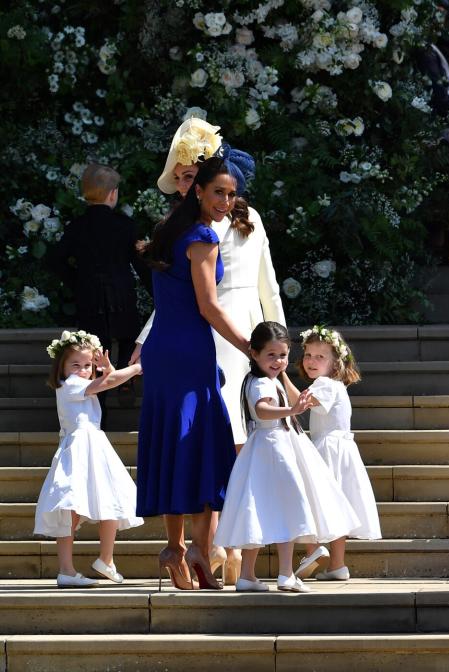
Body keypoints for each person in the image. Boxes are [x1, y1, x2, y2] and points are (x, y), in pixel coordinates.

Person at [133, 117, 285, 584]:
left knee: (178, 448)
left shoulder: (167, 229)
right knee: (200, 449)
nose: (227, 202)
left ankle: (184, 551)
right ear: (197, 190)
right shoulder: (201, 238)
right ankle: (196, 551)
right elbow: (209, 306)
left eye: (230, 194)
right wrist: (250, 348)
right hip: (191, 350)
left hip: (167, 350)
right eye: (218, 192)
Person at [212, 322, 360, 593]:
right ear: (254, 354)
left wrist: (290, 404)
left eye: (283, 355)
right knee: (289, 507)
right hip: (274, 449)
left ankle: (248, 575)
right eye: (271, 355)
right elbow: (263, 410)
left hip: (269, 448)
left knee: (260, 510)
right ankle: (285, 574)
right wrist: (291, 409)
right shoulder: (259, 384)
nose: (278, 361)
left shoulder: (267, 380)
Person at [35, 330, 143, 588]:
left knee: (110, 501)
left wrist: (108, 369)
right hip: (79, 450)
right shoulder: (70, 385)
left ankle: (106, 559)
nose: (83, 370)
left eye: (87, 365)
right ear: (61, 367)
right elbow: (107, 384)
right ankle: (66, 569)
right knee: (70, 508)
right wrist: (137, 368)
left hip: (95, 446)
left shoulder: (83, 385)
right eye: (76, 365)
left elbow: (107, 380)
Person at [48, 163, 150, 426]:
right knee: (129, 336)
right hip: (121, 293)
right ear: (112, 194)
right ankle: (126, 380)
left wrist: (76, 282)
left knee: (93, 350)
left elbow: (56, 261)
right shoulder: (125, 226)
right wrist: (157, 293)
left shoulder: (76, 227)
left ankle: (98, 409)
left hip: (89, 297)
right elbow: (140, 263)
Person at [289, 325, 382, 582]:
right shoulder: (333, 385)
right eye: (308, 355)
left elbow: (301, 405)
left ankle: (314, 551)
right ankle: (337, 565)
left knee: (316, 501)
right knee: (335, 506)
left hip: (327, 450)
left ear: (335, 363)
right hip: (340, 449)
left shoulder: (325, 383)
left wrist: (280, 379)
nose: (311, 361)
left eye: (320, 357)